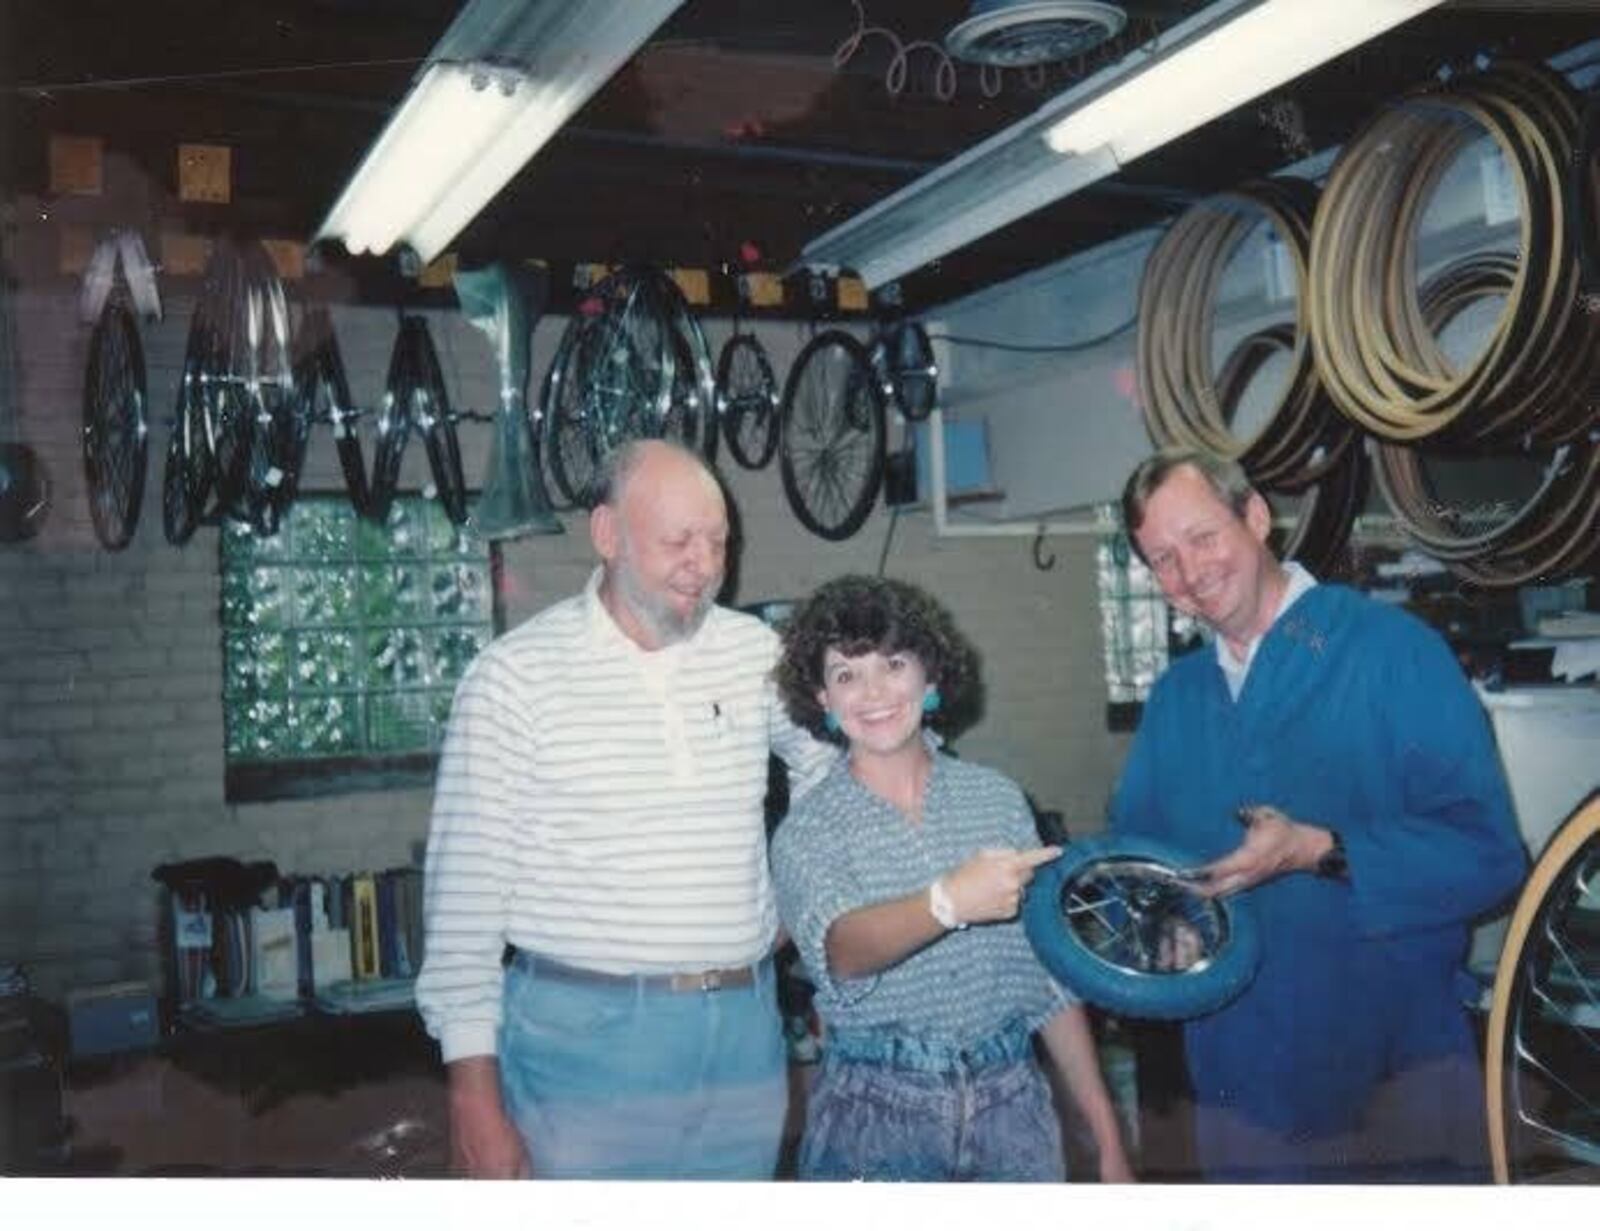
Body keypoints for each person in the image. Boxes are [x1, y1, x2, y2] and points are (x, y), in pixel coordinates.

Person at [415, 439, 837, 1180]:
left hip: (743, 1033)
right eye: (679, 540)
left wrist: (795, 898)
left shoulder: (755, 654)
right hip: (583, 1040)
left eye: (718, 542)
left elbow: (824, 755)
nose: (703, 565)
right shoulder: (514, 678)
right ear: (607, 535)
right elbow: (464, 906)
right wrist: (472, 1095)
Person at [1110, 447, 1526, 1182]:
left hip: (1390, 1072)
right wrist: (1160, 922)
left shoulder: (1390, 652)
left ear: (1257, 517)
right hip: (1241, 1086)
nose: (1190, 572)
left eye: (1203, 537)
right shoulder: (1178, 698)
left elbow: (1490, 855)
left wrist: (1320, 849)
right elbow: (1138, 860)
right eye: (1163, 559)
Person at [769, 575, 1135, 1183]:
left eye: (893, 663)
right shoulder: (808, 830)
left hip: (1013, 1108)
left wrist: (1105, 1133)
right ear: (823, 701)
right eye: (845, 674)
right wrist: (948, 901)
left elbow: (1045, 984)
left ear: (930, 678)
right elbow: (842, 951)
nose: (874, 691)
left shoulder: (997, 801)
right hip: (877, 1115)